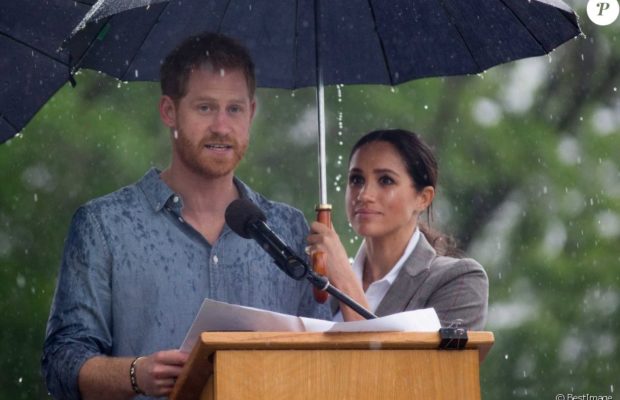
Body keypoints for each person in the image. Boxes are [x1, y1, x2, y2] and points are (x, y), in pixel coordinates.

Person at [41, 32, 329, 400]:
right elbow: (62, 362)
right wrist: (135, 374)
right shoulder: (103, 226)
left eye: (235, 109)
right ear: (169, 111)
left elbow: (320, 357)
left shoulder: (288, 229)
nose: (222, 127)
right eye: (205, 107)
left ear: (252, 113)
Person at [306, 129, 488, 329]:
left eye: (386, 180)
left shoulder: (458, 281)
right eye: (357, 180)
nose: (364, 195)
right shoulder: (318, 280)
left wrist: (344, 281)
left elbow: (399, 361)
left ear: (423, 198)